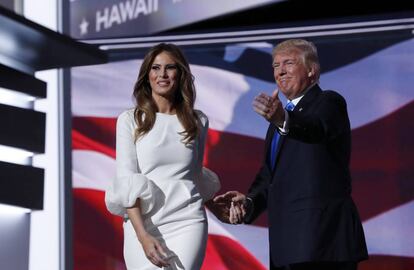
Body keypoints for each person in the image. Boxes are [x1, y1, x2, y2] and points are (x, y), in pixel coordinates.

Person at [214, 39, 368, 270]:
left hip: (322, 242)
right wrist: (249, 202)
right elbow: (270, 177)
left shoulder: (328, 102)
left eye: (289, 63)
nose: (280, 71)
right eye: (276, 65)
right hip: (286, 246)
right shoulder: (279, 120)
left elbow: (316, 128)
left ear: (311, 70)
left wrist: (281, 119)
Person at [105, 43, 221, 270]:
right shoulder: (130, 120)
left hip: (188, 220)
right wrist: (143, 237)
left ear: (180, 74)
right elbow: (127, 182)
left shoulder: (198, 121)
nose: (163, 74)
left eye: (170, 68)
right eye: (156, 68)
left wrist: (215, 206)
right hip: (144, 224)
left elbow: (195, 175)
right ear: (147, 75)